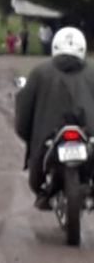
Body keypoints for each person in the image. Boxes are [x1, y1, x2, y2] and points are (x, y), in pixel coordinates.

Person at [15, 27, 94, 210]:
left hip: (48, 136)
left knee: (38, 169)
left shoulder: (39, 72)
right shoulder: (92, 72)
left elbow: (24, 110)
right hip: (88, 132)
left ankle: (47, 193)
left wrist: (27, 135)